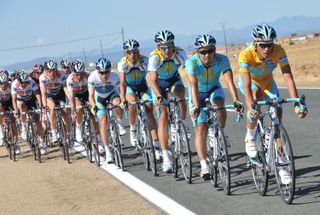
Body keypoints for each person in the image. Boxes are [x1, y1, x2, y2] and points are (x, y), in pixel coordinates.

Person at [238, 24, 308, 184]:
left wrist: (297, 103)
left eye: (270, 44)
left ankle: (282, 165)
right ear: (255, 43)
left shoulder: (279, 51)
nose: (267, 48)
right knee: (255, 100)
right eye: (263, 45)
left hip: (268, 82)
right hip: (252, 83)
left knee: (277, 114)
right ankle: (249, 137)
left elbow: (288, 77)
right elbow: (247, 85)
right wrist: (250, 107)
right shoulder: (245, 54)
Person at [186, 33, 242, 180]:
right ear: (197, 52)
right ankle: (204, 165)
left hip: (213, 89)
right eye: (203, 52)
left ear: (215, 50)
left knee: (219, 106)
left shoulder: (222, 60)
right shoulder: (191, 62)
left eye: (210, 51)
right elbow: (192, 84)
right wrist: (196, 106)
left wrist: (236, 100)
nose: (207, 55)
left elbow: (229, 81)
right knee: (200, 127)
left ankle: (220, 133)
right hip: (197, 92)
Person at [148, 30, 188, 172]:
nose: (167, 50)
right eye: (163, 47)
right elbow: (152, 80)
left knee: (181, 95)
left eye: (169, 46)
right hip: (159, 84)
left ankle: (182, 122)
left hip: (174, 79)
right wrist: (158, 96)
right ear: (159, 47)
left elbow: (188, 71)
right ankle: (166, 158)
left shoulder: (180, 53)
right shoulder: (154, 58)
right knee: (163, 115)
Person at [118, 39, 160, 156]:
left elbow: (150, 78)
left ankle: (156, 142)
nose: (132, 55)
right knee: (132, 104)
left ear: (138, 51)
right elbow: (122, 82)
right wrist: (123, 98)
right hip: (130, 87)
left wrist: (156, 95)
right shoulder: (123, 63)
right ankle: (133, 129)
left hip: (142, 86)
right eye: (129, 52)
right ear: (125, 53)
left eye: (135, 52)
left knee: (148, 107)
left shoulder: (145, 61)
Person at [88, 57, 126, 163]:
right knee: (103, 121)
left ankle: (120, 123)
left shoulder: (114, 76)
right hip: (99, 98)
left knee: (118, 102)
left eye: (106, 72)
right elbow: (90, 96)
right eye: (102, 73)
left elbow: (120, 91)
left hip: (111, 95)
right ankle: (108, 150)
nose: (104, 75)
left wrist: (123, 101)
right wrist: (93, 106)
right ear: (97, 71)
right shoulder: (92, 77)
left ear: (110, 71)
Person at [11, 70, 46, 154]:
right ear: (18, 81)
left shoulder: (31, 81)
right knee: (22, 106)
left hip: (30, 100)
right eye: (22, 83)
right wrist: (16, 111)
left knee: (37, 120)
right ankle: (24, 127)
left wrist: (41, 106)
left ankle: (41, 144)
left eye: (25, 83)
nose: (23, 85)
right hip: (20, 101)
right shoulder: (14, 84)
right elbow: (14, 99)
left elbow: (37, 94)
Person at [39, 59, 70, 143]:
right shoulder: (42, 77)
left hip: (60, 93)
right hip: (49, 95)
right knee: (52, 108)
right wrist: (45, 105)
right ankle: (54, 133)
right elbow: (43, 93)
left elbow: (65, 88)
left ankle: (68, 133)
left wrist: (70, 99)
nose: (52, 73)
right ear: (46, 71)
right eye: (49, 71)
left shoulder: (61, 74)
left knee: (65, 112)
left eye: (54, 70)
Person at [67, 59, 91, 143]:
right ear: (73, 73)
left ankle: (97, 135)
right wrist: (73, 110)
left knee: (92, 111)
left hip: (86, 93)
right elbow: (71, 97)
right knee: (79, 108)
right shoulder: (70, 79)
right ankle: (78, 128)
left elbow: (93, 92)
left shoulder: (88, 76)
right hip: (76, 95)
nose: (79, 76)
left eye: (81, 73)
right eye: (77, 74)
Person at [0, 70, 19, 152]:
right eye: (1, 83)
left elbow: (16, 98)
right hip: (2, 105)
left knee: (13, 122)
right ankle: (2, 129)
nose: (3, 85)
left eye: (5, 83)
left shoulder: (12, 85)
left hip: (11, 103)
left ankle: (17, 145)